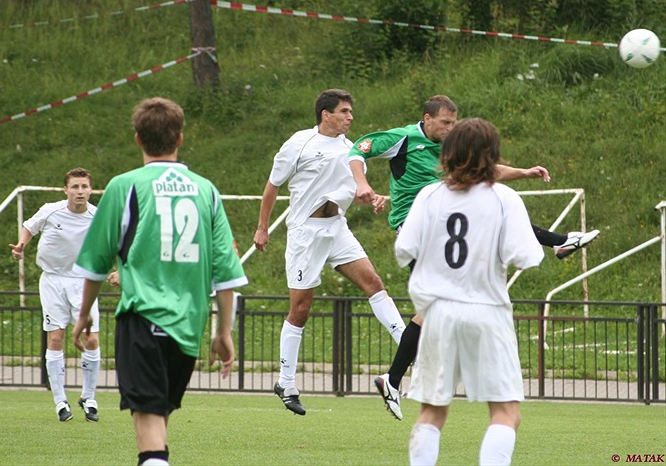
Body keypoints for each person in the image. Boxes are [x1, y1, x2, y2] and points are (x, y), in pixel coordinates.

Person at [348, 95, 600, 420]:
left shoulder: (451, 147)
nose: (450, 128)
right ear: (427, 118)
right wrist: (362, 185)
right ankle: (561, 243)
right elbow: (359, 149)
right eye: (444, 123)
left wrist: (525, 172)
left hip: (442, 223)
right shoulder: (402, 138)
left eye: (454, 123)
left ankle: (393, 379)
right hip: (421, 228)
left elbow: (484, 170)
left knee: (436, 308)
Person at [72, 97, 247, 466]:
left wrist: (84, 313)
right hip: (188, 327)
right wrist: (223, 332)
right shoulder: (206, 190)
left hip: (142, 319)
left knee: (149, 426)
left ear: (137, 139)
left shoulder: (124, 187)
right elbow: (227, 273)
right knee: (159, 418)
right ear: (180, 138)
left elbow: (96, 264)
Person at [396, 117, 544, 465]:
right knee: (506, 412)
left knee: (432, 413)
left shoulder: (429, 195)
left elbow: (405, 249)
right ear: (492, 156)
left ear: (447, 154)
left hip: (437, 313)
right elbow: (526, 255)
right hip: (487, 310)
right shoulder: (504, 198)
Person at [253, 89, 406, 416]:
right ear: (326, 114)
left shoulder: (351, 150)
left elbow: (356, 188)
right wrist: (262, 227)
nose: (350, 117)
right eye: (344, 111)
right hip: (305, 235)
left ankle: (410, 346)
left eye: (351, 112)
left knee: (374, 284)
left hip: (337, 229)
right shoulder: (299, 143)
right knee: (301, 308)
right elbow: (272, 185)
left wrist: (373, 196)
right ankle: (286, 382)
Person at [9, 167, 101, 422]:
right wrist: (21, 246)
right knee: (56, 339)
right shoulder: (51, 210)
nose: (80, 191)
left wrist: (116, 270)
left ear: (90, 190)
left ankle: (89, 397)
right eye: (75, 187)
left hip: (84, 281)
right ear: (66, 190)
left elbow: (111, 242)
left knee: (91, 339)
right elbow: (29, 227)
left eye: (84, 187)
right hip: (53, 280)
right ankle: (60, 401)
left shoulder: (98, 215)